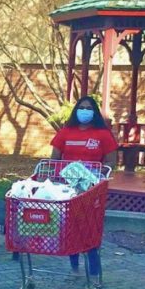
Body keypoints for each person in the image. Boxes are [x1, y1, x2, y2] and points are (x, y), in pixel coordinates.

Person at [49, 96, 117, 278]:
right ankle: (74, 268)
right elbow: (55, 157)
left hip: (92, 190)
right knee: (72, 227)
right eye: (81, 107)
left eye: (88, 108)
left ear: (94, 112)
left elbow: (111, 161)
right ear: (76, 110)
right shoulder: (66, 132)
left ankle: (94, 271)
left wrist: (98, 176)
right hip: (69, 188)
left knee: (90, 229)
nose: (84, 111)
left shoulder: (103, 134)